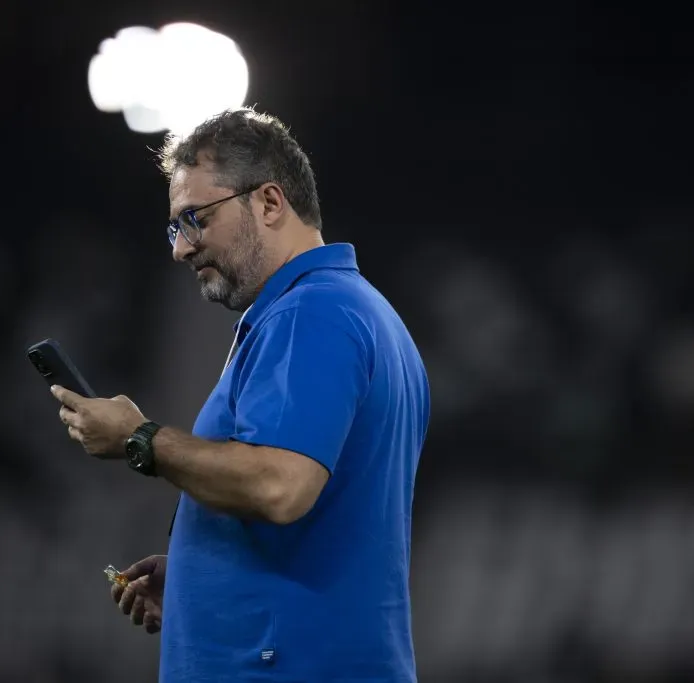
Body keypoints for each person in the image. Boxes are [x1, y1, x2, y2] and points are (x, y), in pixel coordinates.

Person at [51, 107, 430, 682]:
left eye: (195, 218)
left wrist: (139, 437)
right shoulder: (355, 310)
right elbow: (322, 513)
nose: (181, 249)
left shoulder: (313, 312)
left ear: (269, 203)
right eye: (174, 227)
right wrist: (200, 578)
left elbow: (280, 485)